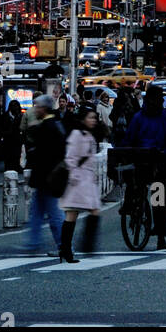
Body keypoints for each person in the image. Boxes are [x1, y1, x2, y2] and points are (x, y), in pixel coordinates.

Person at [124, 84, 166, 250]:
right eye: (159, 99)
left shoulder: (141, 117)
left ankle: (157, 232)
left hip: (150, 165)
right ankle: (160, 236)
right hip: (153, 164)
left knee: (148, 194)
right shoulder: (158, 117)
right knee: (157, 199)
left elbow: (129, 140)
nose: (161, 102)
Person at [59, 105, 102, 263]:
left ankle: (70, 248)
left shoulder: (88, 135)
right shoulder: (77, 135)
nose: (93, 120)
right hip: (77, 181)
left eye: (94, 117)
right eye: (90, 117)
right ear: (83, 119)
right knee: (75, 213)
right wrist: (75, 177)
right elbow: (70, 158)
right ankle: (78, 246)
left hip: (86, 180)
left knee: (76, 213)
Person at [24, 95, 66, 255]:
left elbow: (44, 154)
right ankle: (32, 243)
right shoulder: (55, 124)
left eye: (38, 106)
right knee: (37, 213)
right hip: (47, 177)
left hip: (47, 177)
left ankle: (64, 245)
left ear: (44, 108)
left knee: (54, 214)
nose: (36, 109)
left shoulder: (47, 127)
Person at [1, 98, 24, 172]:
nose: (15, 108)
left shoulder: (20, 115)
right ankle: (8, 167)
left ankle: (16, 166)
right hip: (8, 137)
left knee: (17, 153)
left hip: (17, 137)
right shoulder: (5, 116)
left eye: (16, 106)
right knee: (8, 153)